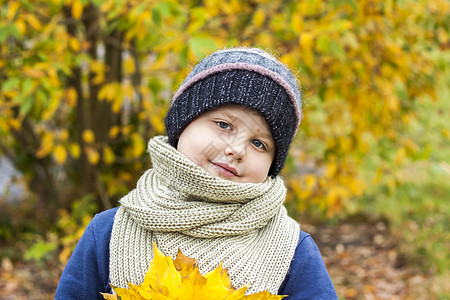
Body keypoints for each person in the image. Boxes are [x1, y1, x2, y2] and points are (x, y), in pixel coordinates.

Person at [55, 47, 338, 299]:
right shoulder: (108, 232)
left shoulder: (290, 250)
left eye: (259, 143)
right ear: (183, 124)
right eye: (224, 125)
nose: (237, 149)